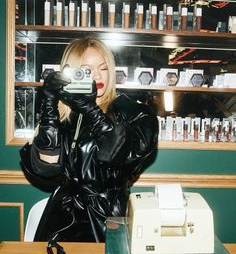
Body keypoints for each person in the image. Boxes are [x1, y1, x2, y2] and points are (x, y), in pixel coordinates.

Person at [20, 37, 158, 243]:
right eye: (86, 69)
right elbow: (46, 169)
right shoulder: (64, 115)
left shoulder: (133, 112)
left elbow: (120, 153)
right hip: (62, 219)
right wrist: (49, 104)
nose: (96, 75)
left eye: (103, 68)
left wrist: (91, 110)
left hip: (108, 218)